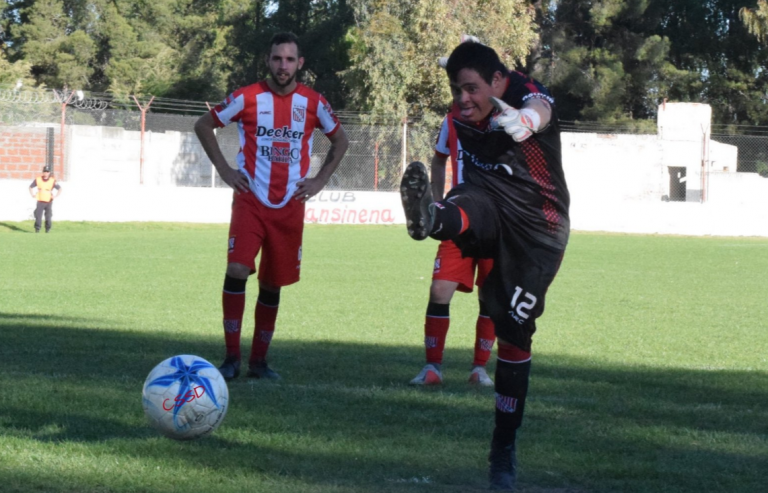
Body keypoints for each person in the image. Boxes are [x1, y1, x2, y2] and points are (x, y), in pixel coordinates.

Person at [400, 41, 569, 491]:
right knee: (464, 205)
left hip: (537, 227)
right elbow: (462, 89)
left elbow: (541, 105)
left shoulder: (523, 91)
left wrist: (526, 119)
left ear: (498, 81)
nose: (463, 99)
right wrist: (455, 68)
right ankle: (430, 218)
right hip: (484, 201)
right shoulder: (460, 112)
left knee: (514, 334)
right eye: (457, 89)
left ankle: (503, 449)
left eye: (472, 88)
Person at [194, 32, 349, 382]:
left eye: (289, 59)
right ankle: (231, 357)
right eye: (277, 59)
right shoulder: (247, 97)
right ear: (268, 60)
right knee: (237, 269)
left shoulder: (313, 102)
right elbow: (204, 124)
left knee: (272, 284)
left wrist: (320, 180)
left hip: (290, 205)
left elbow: (341, 140)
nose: (283, 66)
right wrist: (224, 169)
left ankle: (258, 363)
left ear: (300, 64)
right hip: (250, 199)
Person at [409, 112, 496, 387]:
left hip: (496, 220)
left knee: (491, 295)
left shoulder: (505, 119)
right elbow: (438, 159)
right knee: (439, 290)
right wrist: (437, 202)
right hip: (459, 215)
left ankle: (479, 368)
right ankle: (432, 367)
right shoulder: (452, 121)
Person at [29, 165, 61, 233]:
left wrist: (55, 196)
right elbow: (30, 187)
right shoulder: (38, 179)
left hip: (48, 201)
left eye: (47, 172)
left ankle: (47, 229)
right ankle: (37, 229)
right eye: (45, 171)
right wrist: (32, 194)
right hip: (40, 200)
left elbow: (60, 189)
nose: (46, 173)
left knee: (48, 216)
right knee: (38, 216)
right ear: (43, 172)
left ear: (49, 173)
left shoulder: (52, 180)